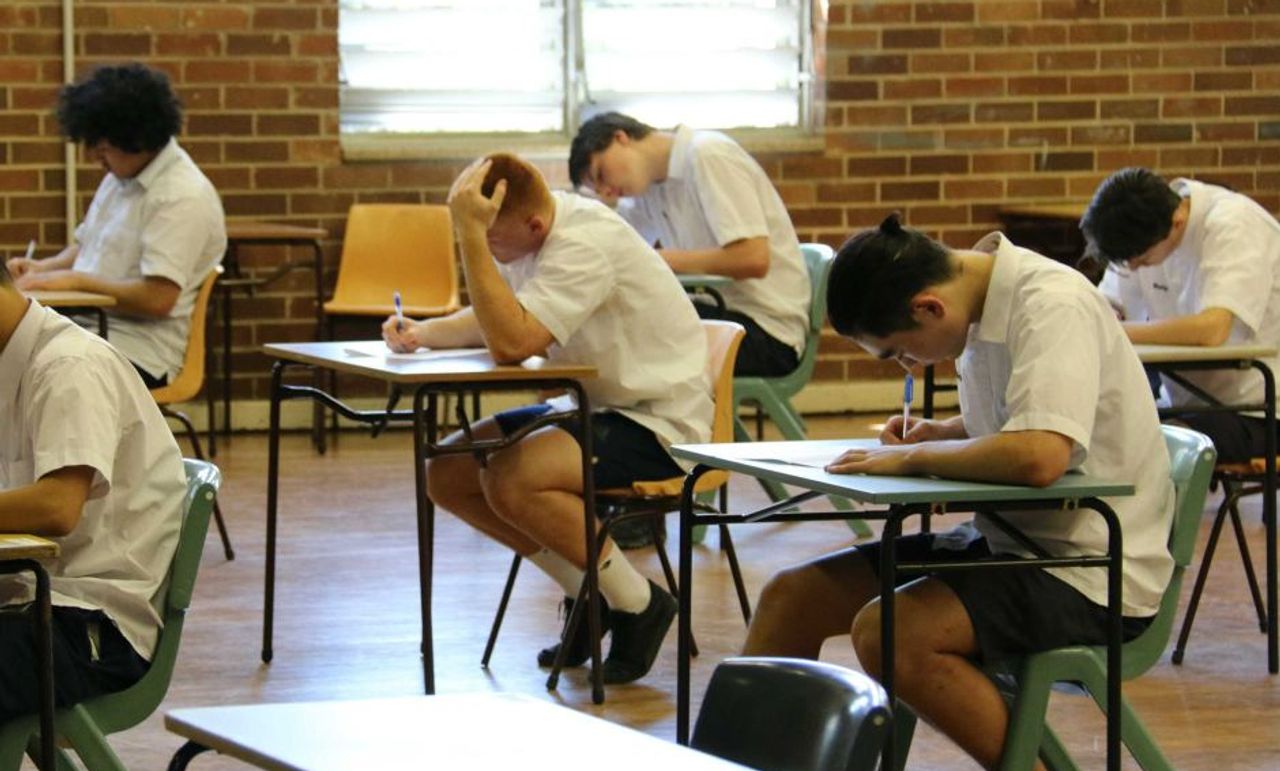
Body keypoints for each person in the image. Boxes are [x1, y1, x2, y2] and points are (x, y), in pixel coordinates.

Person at [742, 214, 1175, 769]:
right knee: (793, 598)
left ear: (928, 307)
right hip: (1013, 543)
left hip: (1088, 571)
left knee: (890, 633)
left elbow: (1041, 453)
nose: (908, 365)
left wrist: (913, 458)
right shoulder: (979, 305)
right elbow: (1022, 416)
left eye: (899, 352)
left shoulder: (1051, 305)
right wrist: (942, 432)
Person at [381, 153, 712, 684]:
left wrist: (470, 236)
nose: (485, 252)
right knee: (447, 472)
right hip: (594, 406)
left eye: (490, 240)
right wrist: (423, 333)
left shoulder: (583, 243)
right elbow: (499, 314)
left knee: (514, 475)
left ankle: (639, 602)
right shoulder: (531, 236)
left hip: (657, 421)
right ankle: (591, 590)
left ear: (533, 226)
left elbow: (512, 342)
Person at [0, 259, 186, 723]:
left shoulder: (69, 366)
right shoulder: (13, 364)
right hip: (33, 598)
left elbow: (57, 507)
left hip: (89, 622)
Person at [5, 62, 225, 389]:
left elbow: (158, 298)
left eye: (104, 149)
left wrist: (75, 280)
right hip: (90, 328)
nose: (96, 159)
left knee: (20, 361)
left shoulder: (181, 195)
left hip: (137, 349)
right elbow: (87, 246)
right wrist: (42, 268)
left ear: (137, 139)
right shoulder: (121, 179)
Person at [568, 112, 809, 377]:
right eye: (598, 190)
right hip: (720, 311)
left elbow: (753, 258)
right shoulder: (648, 189)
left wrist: (662, 259)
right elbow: (612, 250)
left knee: (626, 337)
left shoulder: (709, 154)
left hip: (767, 332)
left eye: (601, 174)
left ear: (620, 138)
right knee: (607, 321)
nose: (606, 192)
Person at [1083, 167, 1280, 463]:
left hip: (1256, 409)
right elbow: (1106, 306)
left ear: (1177, 222)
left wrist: (1114, 330)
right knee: (1099, 429)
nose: (1135, 269)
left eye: (1143, 261)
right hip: (1185, 398)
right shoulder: (1143, 235)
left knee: (1150, 447)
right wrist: (1107, 314)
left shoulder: (1234, 224)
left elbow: (1212, 329)